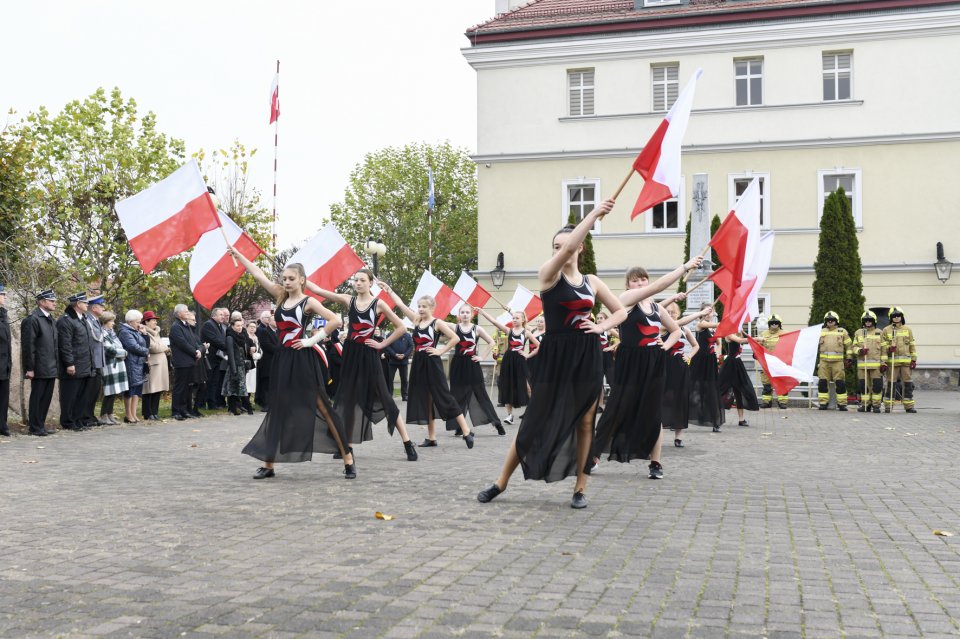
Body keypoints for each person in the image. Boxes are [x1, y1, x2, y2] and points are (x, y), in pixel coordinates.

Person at [477, 199, 627, 509]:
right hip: (555, 356)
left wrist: (602, 328)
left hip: (586, 354)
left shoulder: (592, 282)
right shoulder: (548, 275)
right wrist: (594, 214)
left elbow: (621, 311)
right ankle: (500, 482)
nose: (561, 249)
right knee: (533, 419)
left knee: (586, 422)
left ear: (581, 247)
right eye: (556, 246)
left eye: (567, 244)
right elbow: (565, 251)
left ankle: (581, 487)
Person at [229, 248, 355, 480]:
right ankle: (269, 464)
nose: (286, 282)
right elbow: (258, 275)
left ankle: (347, 457)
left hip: (303, 359)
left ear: (302, 280)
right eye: (284, 279)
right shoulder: (280, 296)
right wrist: (239, 255)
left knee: (323, 407)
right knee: (278, 408)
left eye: (291, 279)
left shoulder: (308, 302)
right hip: (283, 359)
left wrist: (310, 340)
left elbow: (335, 320)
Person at [589, 263, 699, 481]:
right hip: (630, 361)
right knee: (617, 408)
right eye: (635, 280)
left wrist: (665, 346)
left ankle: (655, 462)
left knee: (654, 412)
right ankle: (593, 456)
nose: (639, 283)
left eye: (642, 279)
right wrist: (684, 267)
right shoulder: (626, 300)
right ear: (628, 284)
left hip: (654, 362)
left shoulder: (657, 308)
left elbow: (675, 330)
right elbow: (658, 286)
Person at [304, 270, 418, 464]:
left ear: (370, 283)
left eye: (362, 280)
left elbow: (401, 328)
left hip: (368, 354)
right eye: (355, 280)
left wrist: (382, 344)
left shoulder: (378, 304)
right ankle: (346, 446)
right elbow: (318, 290)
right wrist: (300, 278)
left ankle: (408, 443)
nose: (357, 283)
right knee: (347, 399)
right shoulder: (349, 300)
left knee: (385, 398)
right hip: (351, 353)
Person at [384, 288, 477, 448]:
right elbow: (399, 304)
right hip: (419, 363)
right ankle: (431, 438)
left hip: (432, 363)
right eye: (419, 306)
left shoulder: (437, 323)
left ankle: (466, 431)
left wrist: (440, 350)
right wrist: (389, 290)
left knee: (445, 396)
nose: (420, 309)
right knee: (426, 399)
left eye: (424, 306)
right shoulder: (415, 320)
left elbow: (456, 338)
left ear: (432, 308)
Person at [445, 303, 504, 436]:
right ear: (459, 315)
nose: (465, 315)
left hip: (472, 364)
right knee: (457, 395)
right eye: (462, 312)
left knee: (481, 394)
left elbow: (492, 342)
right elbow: (437, 321)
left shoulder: (477, 329)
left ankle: (497, 424)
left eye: (467, 312)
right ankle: (460, 426)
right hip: (458, 365)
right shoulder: (454, 327)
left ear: (472, 315)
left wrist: (482, 357)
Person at [479, 308, 538, 425]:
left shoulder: (526, 333)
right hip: (508, 360)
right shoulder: (509, 331)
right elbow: (495, 323)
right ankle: (509, 415)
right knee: (508, 386)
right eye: (513, 318)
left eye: (517, 318)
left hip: (520, 361)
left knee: (527, 387)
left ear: (523, 320)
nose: (514, 320)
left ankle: (533, 412)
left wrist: (528, 354)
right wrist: (483, 312)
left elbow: (539, 346)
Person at [661, 300, 703, 448]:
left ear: (677, 313)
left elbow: (696, 345)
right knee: (661, 398)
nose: (671, 315)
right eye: (668, 312)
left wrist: (689, 356)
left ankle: (678, 437)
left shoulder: (684, 329)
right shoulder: (662, 328)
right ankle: (656, 431)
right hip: (663, 367)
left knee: (680, 399)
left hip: (680, 367)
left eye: (673, 312)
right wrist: (700, 313)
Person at [21, 289, 59, 436]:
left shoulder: (50, 319)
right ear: (42, 302)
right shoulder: (33, 319)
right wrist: (29, 368)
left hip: (50, 365)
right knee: (38, 397)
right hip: (39, 366)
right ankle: (34, 427)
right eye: (51, 301)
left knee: (46, 398)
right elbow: (28, 346)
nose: (54, 303)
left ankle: (40, 424)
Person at [56, 293, 95, 432]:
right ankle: (68, 421)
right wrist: (69, 363)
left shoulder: (83, 319)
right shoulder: (66, 320)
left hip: (85, 364)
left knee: (81, 396)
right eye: (85, 303)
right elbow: (65, 345)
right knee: (70, 395)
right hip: (74, 365)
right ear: (78, 304)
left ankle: (77, 420)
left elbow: (87, 344)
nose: (87, 305)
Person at [688, 304, 725, 432]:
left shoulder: (713, 328)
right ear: (703, 311)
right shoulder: (701, 324)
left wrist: (718, 356)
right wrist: (727, 323)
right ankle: (679, 418)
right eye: (709, 310)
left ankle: (715, 421)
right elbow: (716, 325)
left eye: (712, 310)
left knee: (712, 389)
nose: (711, 313)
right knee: (692, 387)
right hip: (700, 360)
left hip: (710, 361)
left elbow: (719, 343)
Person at [717, 327, 760, 427]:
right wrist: (756, 339)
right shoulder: (729, 334)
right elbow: (741, 341)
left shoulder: (739, 333)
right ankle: (711, 414)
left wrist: (750, 336)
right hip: (730, 365)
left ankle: (741, 419)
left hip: (738, 364)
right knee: (720, 389)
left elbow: (743, 338)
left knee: (739, 391)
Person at [170, 304, 202, 420]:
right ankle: (176, 411)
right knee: (180, 387)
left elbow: (192, 340)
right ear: (179, 314)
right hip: (182, 361)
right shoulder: (176, 327)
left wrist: (198, 350)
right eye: (186, 311)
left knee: (187, 388)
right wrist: (195, 352)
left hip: (190, 361)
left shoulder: (186, 326)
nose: (188, 313)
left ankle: (184, 409)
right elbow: (182, 343)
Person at [882, 307, 917, 413]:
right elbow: (883, 347)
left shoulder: (908, 329)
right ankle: (888, 406)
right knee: (890, 384)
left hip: (905, 363)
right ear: (890, 318)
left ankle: (909, 406)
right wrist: (889, 348)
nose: (896, 318)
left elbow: (912, 345)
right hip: (892, 363)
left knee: (907, 384)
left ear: (902, 317)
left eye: (898, 316)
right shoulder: (886, 330)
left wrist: (914, 360)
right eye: (894, 316)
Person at [79, 294, 106, 428]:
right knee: (88, 391)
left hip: (98, 360)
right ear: (94, 307)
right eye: (101, 306)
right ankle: (85, 416)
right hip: (91, 361)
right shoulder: (88, 320)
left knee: (95, 391)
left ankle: (90, 414)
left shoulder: (95, 320)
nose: (103, 308)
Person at [118, 310, 149, 424]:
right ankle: (128, 414)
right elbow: (133, 347)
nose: (140, 324)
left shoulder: (136, 331)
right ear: (130, 322)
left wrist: (144, 334)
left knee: (137, 390)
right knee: (130, 389)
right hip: (131, 362)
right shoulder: (125, 332)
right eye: (137, 322)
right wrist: (146, 351)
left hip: (139, 363)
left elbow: (145, 344)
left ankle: (134, 413)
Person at [817, 311, 852, 411]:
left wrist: (849, 357)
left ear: (836, 321)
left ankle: (842, 404)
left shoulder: (842, 331)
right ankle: (823, 403)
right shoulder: (821, 331)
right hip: (824, 362)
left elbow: (849, 345)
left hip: (838, 363)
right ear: (825, 322)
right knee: (823, 383)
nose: (830, 321)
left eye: (832, 320)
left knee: (840, 383)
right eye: (828, 320)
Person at [98, 311, 128, 425]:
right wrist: (124, 353)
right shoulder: (103, 333)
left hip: (117, 364)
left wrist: (122, 351)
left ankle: (110, 413)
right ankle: (103, 415)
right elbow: (110, 350)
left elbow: (119, 346)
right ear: (105, 322)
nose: (113, 323)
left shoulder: (112, 333)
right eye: (111, 321)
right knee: (109, 391)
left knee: (114, 391)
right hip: (110, 365)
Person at [141, 311, 170, 421]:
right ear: (146, 322)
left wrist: (162, 346)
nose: (155, 322)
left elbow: (160, 345)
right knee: (149, 389)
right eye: (153, 320)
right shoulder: (144, 332)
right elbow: (153, 347)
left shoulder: (156, 332)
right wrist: (164, 347)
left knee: (158, 389)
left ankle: (155, 411)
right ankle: (147, 413)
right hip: (152, 363)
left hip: (161, 363)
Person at [853, 310, 884, 413]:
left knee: (877, 386)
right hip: (863, 365)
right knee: (864, 386)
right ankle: (865, 405)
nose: (868, 322)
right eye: (866, 321)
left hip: (876, 366)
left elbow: (884, 350)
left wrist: (883, 363)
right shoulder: (858, 333)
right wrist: (860, 351)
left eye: (870, 320)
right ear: (863, 322)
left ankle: (876, 406)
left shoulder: (880, 332)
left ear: (873, 321)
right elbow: (854, 347)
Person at [223, 317, 254, 415]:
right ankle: (245, 408)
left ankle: (235, 408)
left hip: (242, 365)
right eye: (237, 326)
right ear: (232, 326)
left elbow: (245, 351)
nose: (240, 327)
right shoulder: (230, 337)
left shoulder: (242, 336)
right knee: (234, 388)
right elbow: (231, 354)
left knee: (237, 387)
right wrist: (234, 369)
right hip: (234, 366)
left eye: (241, 325)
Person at [757, 314, 789, 409]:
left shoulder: (785, 333)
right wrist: (756, 353)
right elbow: (759, 346)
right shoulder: (763, 334)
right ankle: (766, 402)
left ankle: (782, 403)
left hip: (780, 363)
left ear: (780, 324)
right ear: (769, 324)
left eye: (776, 323)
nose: (774, 324)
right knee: (767, 384)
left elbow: (789, 347)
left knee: (781, 384)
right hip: (767, 363)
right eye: (772, 323)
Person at [201, 307, 229, 410]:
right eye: (220, 315)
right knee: (209, 381)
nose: (223, 317)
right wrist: (228, 347)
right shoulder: (208, 325)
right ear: (213, 316)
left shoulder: (220, 326)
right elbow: (214, 340)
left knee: (215, 382)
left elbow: (222, 339)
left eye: (223, 315)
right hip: (210, 358)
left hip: (217, 358)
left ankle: (213, 403)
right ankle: (203, 403)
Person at [255, 310, 279, 410]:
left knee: (273, 384)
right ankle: (266, 404)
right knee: (266, 384)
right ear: (269, 321)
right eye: (275, 320)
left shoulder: (279, 332)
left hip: (276, 362)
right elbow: (266, 345)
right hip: (267, 362)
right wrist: (280, 350)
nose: (277, 322)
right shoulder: (264, 331)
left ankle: (273, 404)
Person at [185, 311, 207, 417]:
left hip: (200, 363)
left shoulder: (194, 333)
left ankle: (196, 408)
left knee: (202, 386)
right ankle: (189, 409)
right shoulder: (186, 332)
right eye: (193, 320)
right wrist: (198, 349)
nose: (196, 322)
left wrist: (200, 349)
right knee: (191, 387)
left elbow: (201, 345)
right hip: (192, 362)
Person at [595, 311, 617, 413]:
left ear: (606, 319)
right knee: (599, 383)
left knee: (612, 381)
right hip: (597, 358)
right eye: (597, 318)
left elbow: (622, 338)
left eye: (601, 318)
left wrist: (611, 347)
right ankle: (600, 405)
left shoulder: (609, 330)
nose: (599, 320)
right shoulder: (594, 330)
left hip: (607, 357)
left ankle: (615, 405)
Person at [383, 326, 413, 401]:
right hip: (393, 361)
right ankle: (389, 395)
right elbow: (387, 346)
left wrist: (405, 355)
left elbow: (411, 346)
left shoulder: (407, 335)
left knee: (404, 380)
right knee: (390, 379)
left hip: (404, 361)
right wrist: (395, 354)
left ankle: (405, 396)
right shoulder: (390, 334)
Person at [0, 285, 11, 436]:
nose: (4, 297)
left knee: (3, 397)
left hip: (4, 364)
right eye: (2, 294)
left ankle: (2, 425)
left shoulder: (3, 314)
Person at [245, 320, 262, 402]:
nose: (252, 328)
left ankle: (248, 401)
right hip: (247, 362)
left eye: (254, 327)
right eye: (250, 327)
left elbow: (259, 350)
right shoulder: (246, 337)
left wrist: (258, 355)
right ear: (247, 327)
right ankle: (244, 402)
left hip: (255, 362)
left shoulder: (256, 337)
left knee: (252, 382)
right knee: (246, 381)